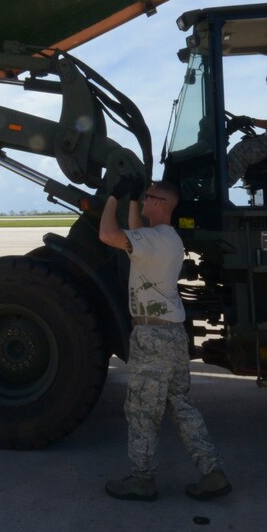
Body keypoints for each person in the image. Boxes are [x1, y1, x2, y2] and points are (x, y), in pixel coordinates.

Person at [99, 180, 230, 502]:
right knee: (182, 407)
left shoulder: (155, 240)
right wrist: (132, 202)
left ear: (159, 203)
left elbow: (107, 235)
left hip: (152, 336)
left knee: (142, 411)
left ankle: (141, 479)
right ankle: (212, 472)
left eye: (146, 198)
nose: (143, 202)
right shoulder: (165, 239)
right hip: (171, 335)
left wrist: (114, 197)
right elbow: (135, 230)